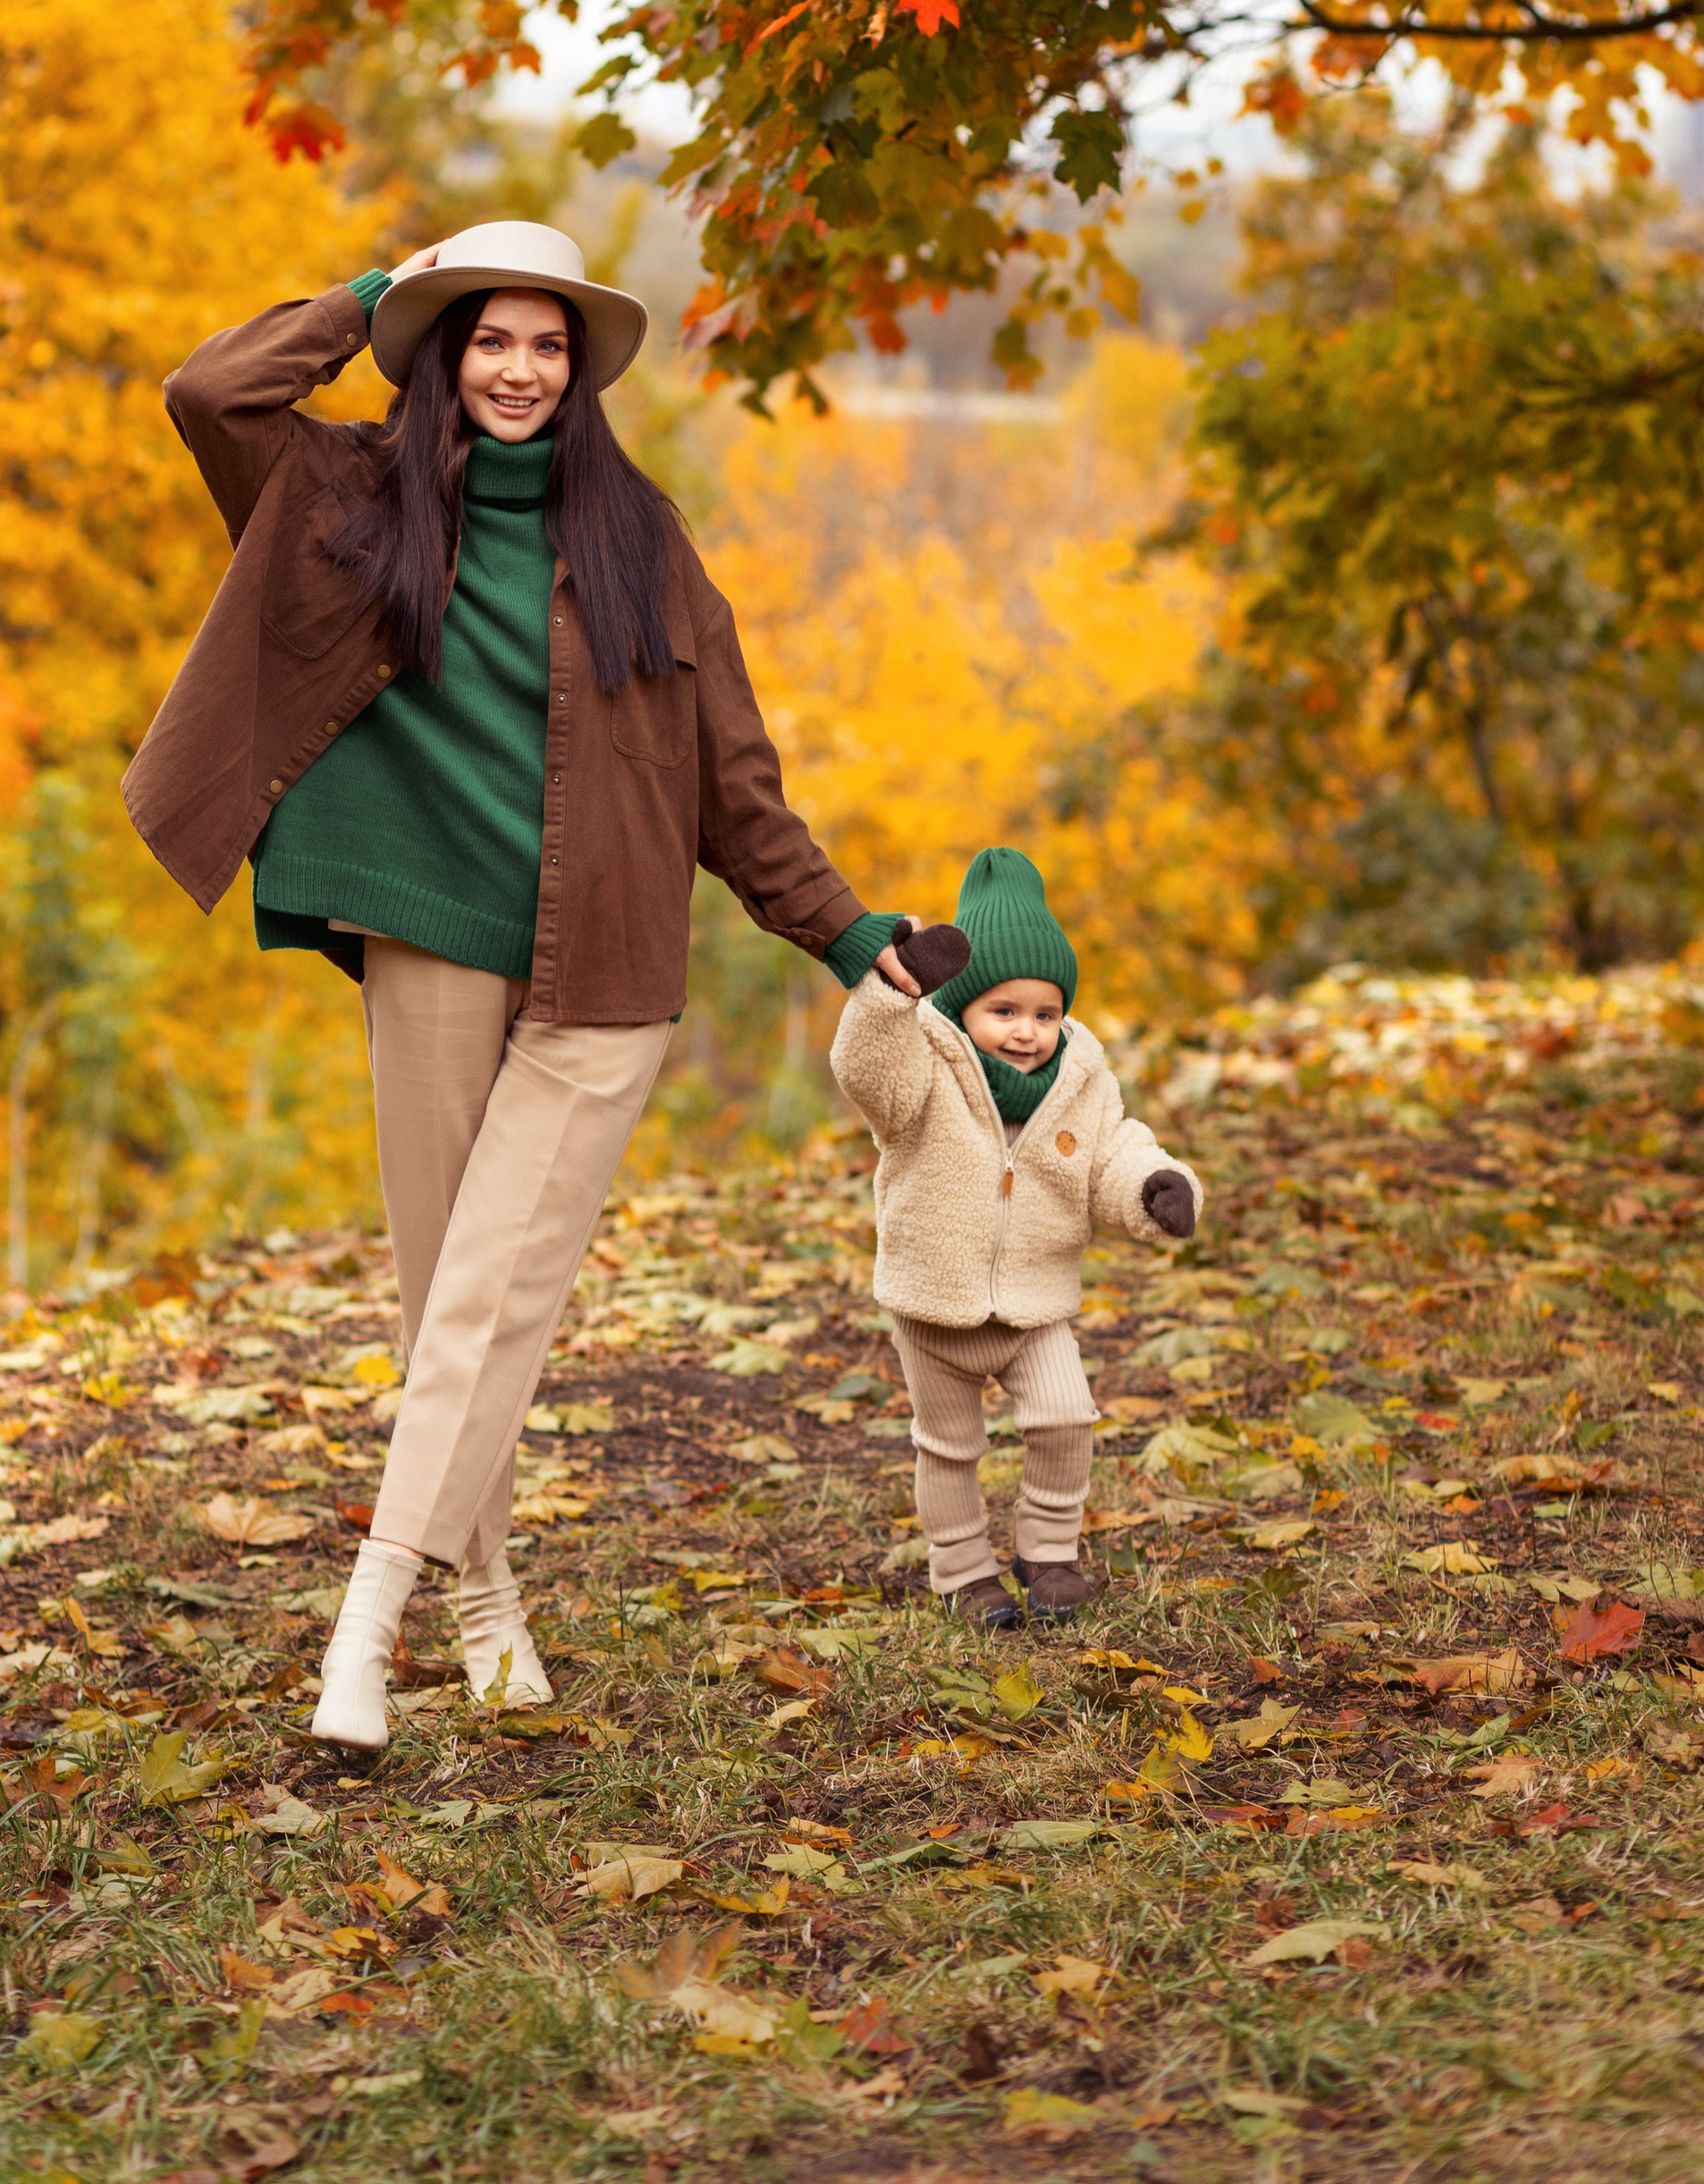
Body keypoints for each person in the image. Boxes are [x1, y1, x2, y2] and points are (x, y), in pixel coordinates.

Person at [122, 221, 922, 1744]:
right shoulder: (340, 494)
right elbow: (208, 390)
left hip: (603, 966)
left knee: (497, 1291)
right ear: (443, 353)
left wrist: (839, 927)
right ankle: (485, 1598)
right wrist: (380, 290)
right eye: (489, 337)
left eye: (549, 345)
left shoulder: (642, 542)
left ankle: (367, 1624)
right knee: (452, 1299)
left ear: (579, 371)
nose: (519, 369)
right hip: (429, 930)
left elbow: (732, 784)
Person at [830, 847, 1203, 1629]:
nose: (1027, 1032)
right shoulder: (924, 1072)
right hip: (934, 1305)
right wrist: (888, 996)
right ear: (963, 1006)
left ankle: (1048, 1554)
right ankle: (964, 1572)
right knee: (948, 1447)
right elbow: (867, 1071)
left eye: (1045, 1013)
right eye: (1004, 1012)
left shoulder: (1081, 1083)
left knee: (1067, 1418)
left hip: (1036, 1303)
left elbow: (1114, 1153)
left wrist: (1153, 1187)